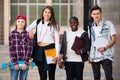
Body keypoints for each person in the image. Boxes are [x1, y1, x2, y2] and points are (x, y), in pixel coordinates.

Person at [26, 6, 60, 80]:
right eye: (45, 12)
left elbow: (57, 41)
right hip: (39, 50)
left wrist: (57, 55)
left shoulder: (54, 25)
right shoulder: (38, 22)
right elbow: (27, 29)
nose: (47, 14)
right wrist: (30, 32)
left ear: (51, 14)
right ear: (43, 13)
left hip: (50, 49)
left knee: (51, 75)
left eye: (49, 13)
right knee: (42, 76)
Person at [88, 5, 116, 80]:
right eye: (94, 14)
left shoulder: (109, 24)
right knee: (96, 77)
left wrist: (104, 48)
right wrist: (89, 55)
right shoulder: (90, 26)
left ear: (101, 14)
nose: (96, 15)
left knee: (109, 77)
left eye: (98, 13)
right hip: (94, 55)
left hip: (106, 54)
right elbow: (91, 42)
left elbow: (114, 39)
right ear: (91, 15)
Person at [9, 14, 33, 80]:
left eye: (22, 22)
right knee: (13, 78)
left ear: (25, 24)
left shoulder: (28, 34)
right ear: (16, 23)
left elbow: (29, 50)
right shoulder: (11, 34)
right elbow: (11, 49)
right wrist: (14, 63)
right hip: (15, 63)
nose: (20, 23)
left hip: (24, 63)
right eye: (19, 21)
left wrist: (26, 63)